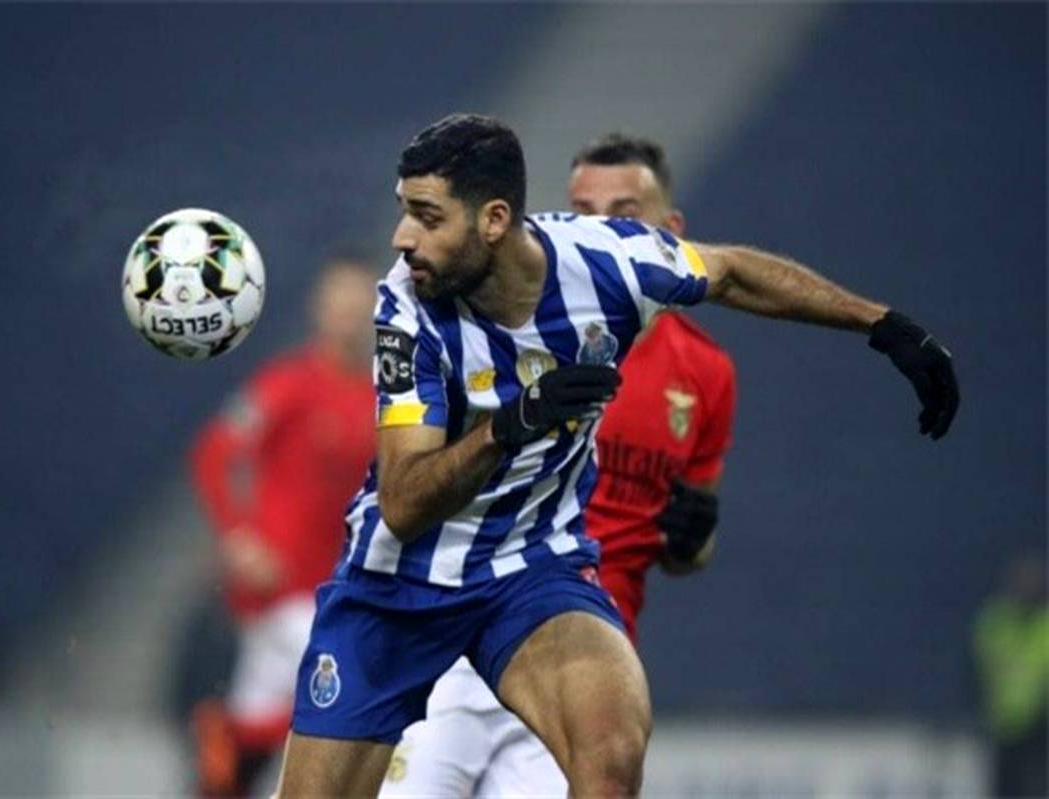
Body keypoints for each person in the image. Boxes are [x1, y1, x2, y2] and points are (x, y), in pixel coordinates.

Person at [276, 114, 959, 798]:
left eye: (427, 217)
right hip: (399, 588)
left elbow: (732, 273)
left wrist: (881, 325)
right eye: (405, 211)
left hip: (529, 571)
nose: (403, 238)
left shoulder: (606, 261)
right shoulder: (406, 310)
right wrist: (510, 426)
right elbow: (403, 504)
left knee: (612, 752)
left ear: (493, 220)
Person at [379, 133, 734, 797]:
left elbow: (688, 550)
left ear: (671, 231)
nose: (600, 228)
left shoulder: (707, 373)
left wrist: (695, 537)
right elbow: (416, 474)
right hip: (464, 631)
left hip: (579, 665)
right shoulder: (508, 329)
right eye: (582, 210)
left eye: (623, 213)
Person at [189, 259, 378, 795]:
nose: (349, 313)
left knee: (256, 733)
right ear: (319, 307)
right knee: (346, 695)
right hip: (282, 589)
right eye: (339, 300)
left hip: (337, 588)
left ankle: (225, 738)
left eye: (359, 301)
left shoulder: (382, 399)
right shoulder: (287, 384)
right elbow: (215, 452)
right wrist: (238, 536)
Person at [973, 552, 1048, 799]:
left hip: (1040, 726)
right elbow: (976, 670)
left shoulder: (1044, 625)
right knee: (1005, 788)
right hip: (1002, 724)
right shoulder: (995, 621)